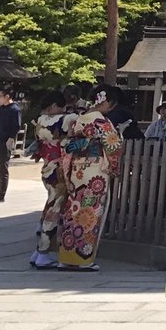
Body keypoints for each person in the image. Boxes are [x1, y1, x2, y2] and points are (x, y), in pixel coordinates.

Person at [55, 85, 122, 270]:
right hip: (95, 170)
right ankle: (82, 258)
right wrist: (115, 167)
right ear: (106, 102)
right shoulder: (102, 122)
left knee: (73, 209)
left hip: (77, 169)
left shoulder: (79, 120)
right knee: (90, 212)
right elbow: (113, 147)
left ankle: (66, 255)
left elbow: (67, 144)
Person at [29, 90, 70, 268]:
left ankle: (38, 252)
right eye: (61, 106)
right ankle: (43, 252)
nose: (63, 109)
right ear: (54, 106)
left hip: (47, 167)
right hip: (59, 169)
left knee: (50, 206)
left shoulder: (39, 121)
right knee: (54, 211)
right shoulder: (64, 120)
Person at [0, 86, 22, 203]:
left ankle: (1, 195)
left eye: (0, 96)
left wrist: (10, 139)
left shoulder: (14, 109)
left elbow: (16, 126)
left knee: (2, 169)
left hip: (4, 142)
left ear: (7, 96)